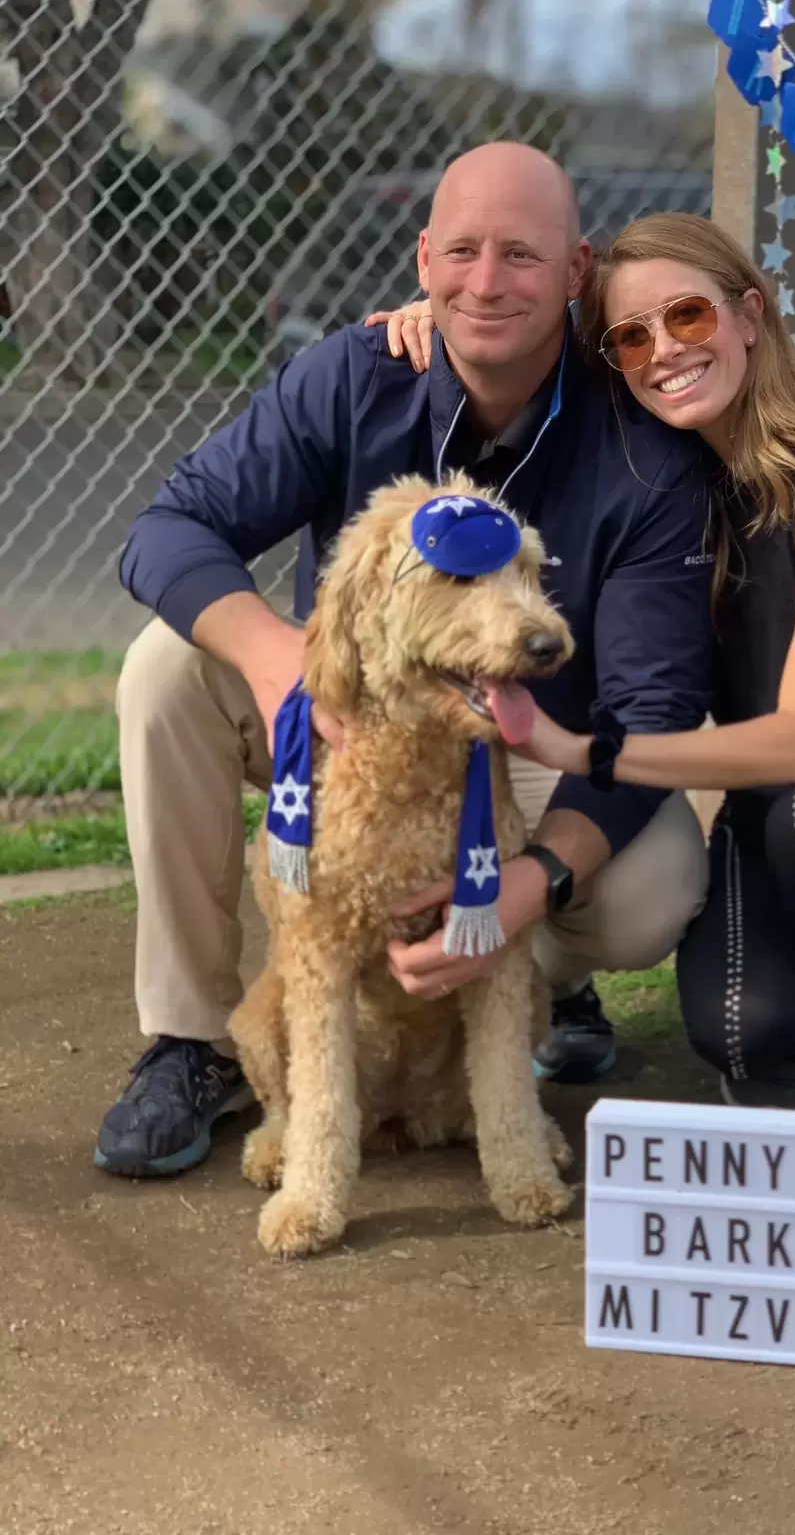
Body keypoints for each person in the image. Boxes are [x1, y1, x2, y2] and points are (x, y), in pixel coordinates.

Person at [368, 211, 795, 1239]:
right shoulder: (681, 479)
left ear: (749, 315)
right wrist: (447, 324)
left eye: (687, 313)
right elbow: (536, 382)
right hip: (774, 831)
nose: (664, 349)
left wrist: (585, 751)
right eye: (632, 336)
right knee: (736, 1034)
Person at [96, 144, 716, 1180]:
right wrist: (276, 656)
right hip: (346, 718)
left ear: (576, 272)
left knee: (653, 878)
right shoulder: (354, 373)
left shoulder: (641, 444)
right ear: (422, 259)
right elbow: (168, 530)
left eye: (521, 254)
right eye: (463, 251)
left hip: (525, 742)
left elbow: (655, 705)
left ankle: (526, 983)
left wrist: (537, 874)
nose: (485, 282)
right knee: (163, 670)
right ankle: (193, 1040)